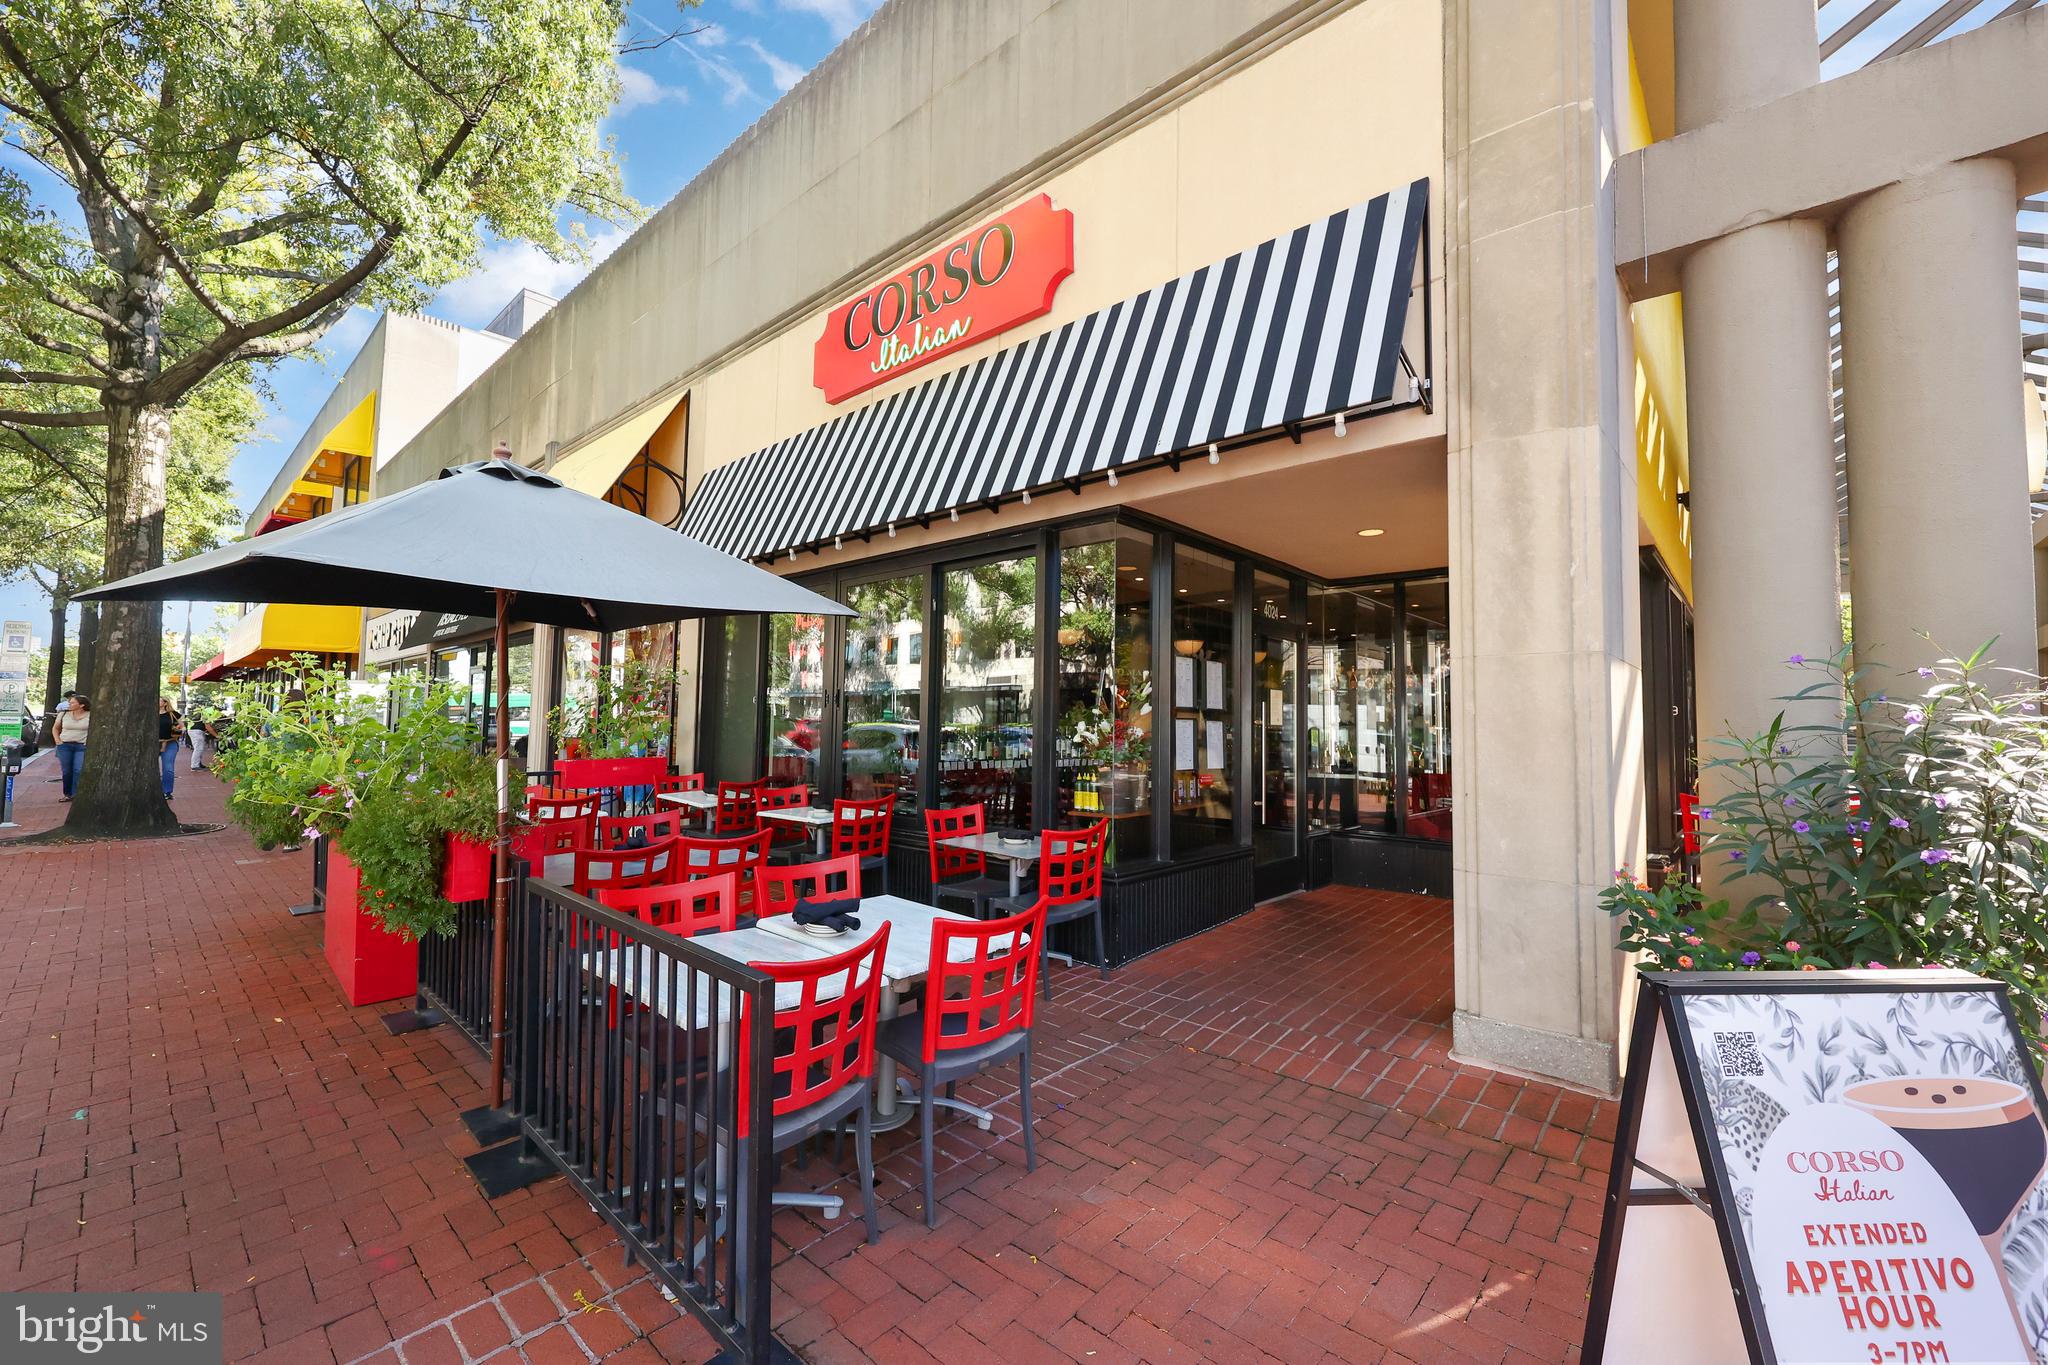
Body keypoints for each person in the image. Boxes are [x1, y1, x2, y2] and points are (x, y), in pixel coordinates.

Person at [53, 694, 88, 801]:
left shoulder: (90, 715)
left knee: (78, 769)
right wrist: (58, 741)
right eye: (69, 702)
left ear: (81, 705)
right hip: (65, 745)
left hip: (81, 745)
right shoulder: (63, 714)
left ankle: (75, 793)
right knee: (67, 771)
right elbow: (55, 728)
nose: (69, 704)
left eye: (72, 703)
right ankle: (67, 793)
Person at [157, 697, 185, 800]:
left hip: (169, 743)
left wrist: (177, 730)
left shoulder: (173, 714)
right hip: (152, 744)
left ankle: (167, 792)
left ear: (165, 703)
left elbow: (181, 727)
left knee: (168, 768)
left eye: (159, 700)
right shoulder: (149, 713)